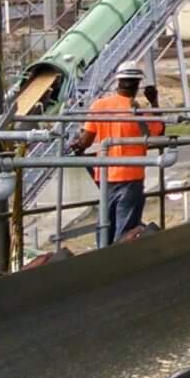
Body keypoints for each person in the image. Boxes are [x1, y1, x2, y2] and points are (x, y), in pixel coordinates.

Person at [72, 66, 164, 247]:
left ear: (117, 82)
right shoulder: (137, 112)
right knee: (126, 233)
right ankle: (121, 264)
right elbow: (159, 132)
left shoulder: (99, 106)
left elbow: (85, 141)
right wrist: (154, 102)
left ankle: (102, 261)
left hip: (106, 177)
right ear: (138, 85)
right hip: (131, 177)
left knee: (105, 226)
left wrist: (77, 145)